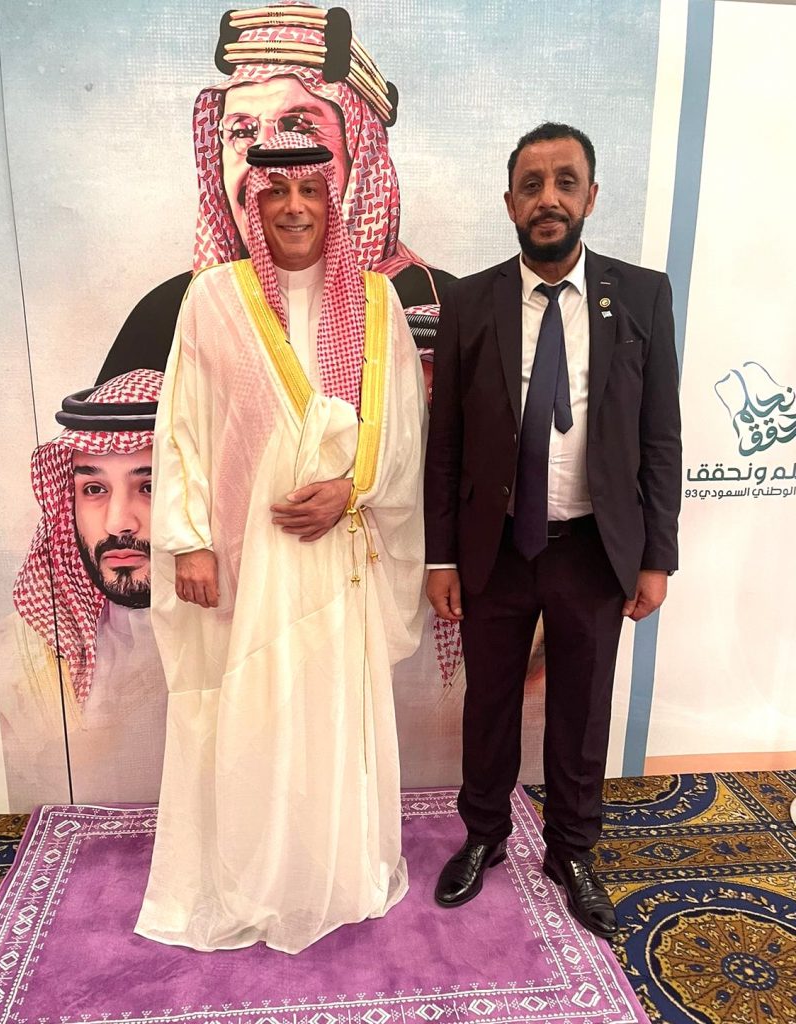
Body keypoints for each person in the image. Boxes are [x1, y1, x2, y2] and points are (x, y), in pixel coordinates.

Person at [135, 131, 426, 954]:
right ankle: (253, 878)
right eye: (276, 193)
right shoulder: (214, 297)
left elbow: (405, 429)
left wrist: (352, 488)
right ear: (252, 205)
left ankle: (333, 870)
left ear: (333, 201)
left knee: (331, 709)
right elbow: (182, 427)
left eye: (310, 191)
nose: (294, 208)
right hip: (247, 558)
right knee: (254, 711)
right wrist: (189, 542)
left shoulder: (378, 302)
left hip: (338, 555)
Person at [424, 123, 681, 938]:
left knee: (582, 711)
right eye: (531, 185)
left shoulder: (641, 296)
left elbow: (660, 435)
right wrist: (440, 557)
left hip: (595, 551)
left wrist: (657, 557)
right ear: (509, 203)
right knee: (489, 705)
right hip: (494, 548)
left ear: (591, 196)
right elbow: (445, 443)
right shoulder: (470, 301)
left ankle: (573, 850)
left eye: (565, 182)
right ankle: (484, 835)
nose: (548, 199)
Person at [97, 2, 453, 383]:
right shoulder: (173, 313)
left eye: (299, 126)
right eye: (242, 131)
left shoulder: (429, 304)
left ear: (361, 157)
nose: (265, 159)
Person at [0, 369, 167, 811]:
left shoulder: (260, 643)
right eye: (93, 489)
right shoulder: (15, 661)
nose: (118, 522)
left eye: (150, 486)